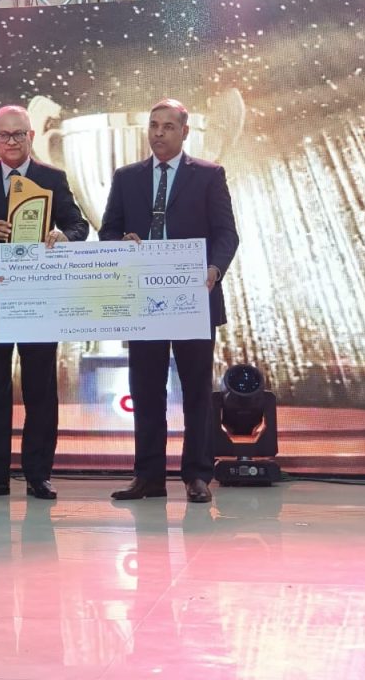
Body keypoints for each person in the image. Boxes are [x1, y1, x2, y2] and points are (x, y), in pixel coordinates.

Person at [99, 98, 239, 504]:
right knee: (145, 390)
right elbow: (108, 230)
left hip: (195, 296)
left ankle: (197, 475)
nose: (158, 133)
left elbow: (226, 233)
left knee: (196, 390)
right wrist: (120, 242)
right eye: (153, 126)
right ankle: (148, 477)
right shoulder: (127, 177)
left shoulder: (209, 175)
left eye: (167, 126)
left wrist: (214, 269)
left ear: (184, 132)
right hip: (143, 299)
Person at [0, 104, 88, 500]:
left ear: (32, 137)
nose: (12, 141)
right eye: (4, 135)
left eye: (19, 134)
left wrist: (63, 237)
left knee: (40, 390)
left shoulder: (52, 177)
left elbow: (79, 225)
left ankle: (38, 475)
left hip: (38, 298)